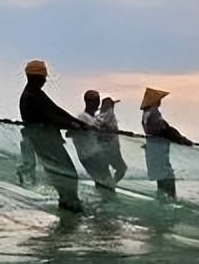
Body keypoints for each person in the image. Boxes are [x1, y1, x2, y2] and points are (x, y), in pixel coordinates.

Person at [19, 60, 90, 212]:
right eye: (43, 77)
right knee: (68, 174)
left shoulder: (37, 94)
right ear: (35, 78)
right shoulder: (30, 97)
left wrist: (76, 122)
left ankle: (67, 204)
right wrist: (71, 125)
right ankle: (69, 204)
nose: (45, 80)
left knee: (63, 175)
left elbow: (56, 110)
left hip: (49, 142)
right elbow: (48, 118)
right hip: (44, 143)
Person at [140, 87, 193, 198]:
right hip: (158, 152)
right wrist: (181, 139)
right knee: (167, 179)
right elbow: (165, 130)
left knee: (161, 179)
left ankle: (163, 201)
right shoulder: (153, 114)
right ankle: (169, 202)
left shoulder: (146, 115)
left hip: (153, 151)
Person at [69, 90, 115, 189]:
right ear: (87, 102)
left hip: (97, 155)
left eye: (97, 101)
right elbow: (70, 133)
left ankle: (103, 202)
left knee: (104, 183)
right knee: (105, 183)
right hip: (89, 156)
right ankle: (105, 203)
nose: (97, 104)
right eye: (94, 101)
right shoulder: (82, 118)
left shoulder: (95, 117)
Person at [95, 96, 128, 185]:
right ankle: (111, 184)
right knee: (122, 168)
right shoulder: (108, 114)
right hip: (110, 148)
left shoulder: (99, 115)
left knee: (104, 170)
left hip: (103, 147)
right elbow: (103, 124)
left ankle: (107, 185)